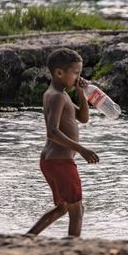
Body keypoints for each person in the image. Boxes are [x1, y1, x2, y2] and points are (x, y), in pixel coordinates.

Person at [27, 48, 99, 237]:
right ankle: (72, 246)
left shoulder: (61, 94)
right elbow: (52, 132)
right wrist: (81, 149)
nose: (78, 77)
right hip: (60, 162)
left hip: (51, 161)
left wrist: (82, 94)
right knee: (77, 210)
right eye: (75, 73)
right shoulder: (57, 96)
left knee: (63, 208)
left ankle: (28, 237)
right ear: (59, 73)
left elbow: (82, 118)